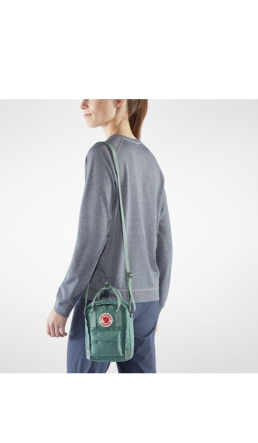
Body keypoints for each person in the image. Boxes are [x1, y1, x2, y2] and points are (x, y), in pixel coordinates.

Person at [46, 99, 173, 373]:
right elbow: (164, 241)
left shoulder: (103, 154)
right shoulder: (150, 160)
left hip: (104, 304)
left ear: (118, 100)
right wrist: (157, 304)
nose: (82, 103)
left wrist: (63, 304)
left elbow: (91, 238)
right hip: (146, 303)